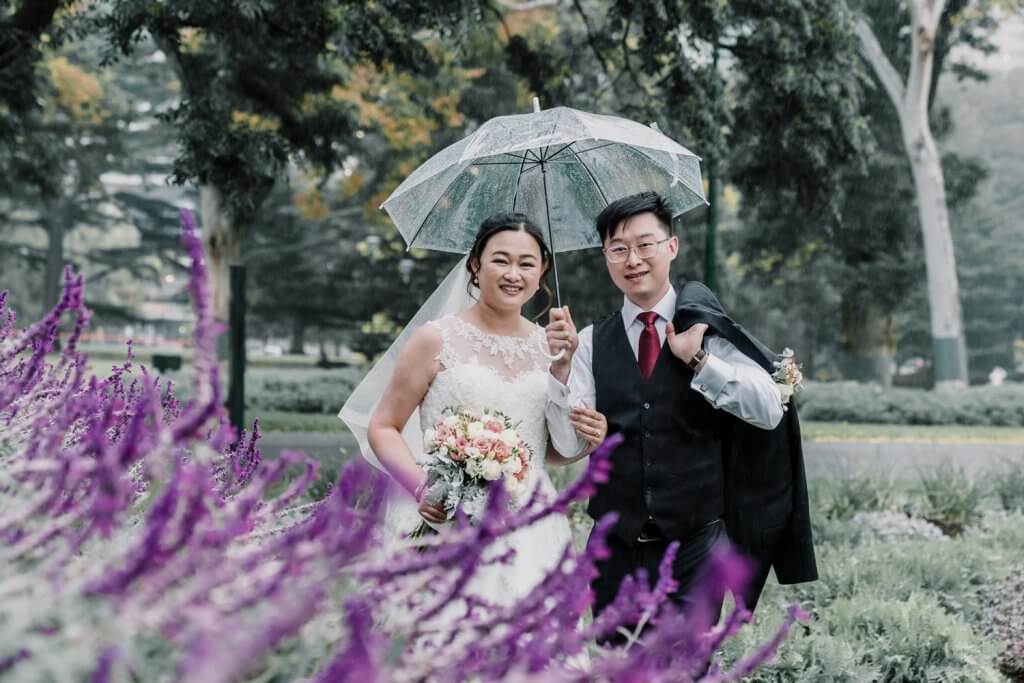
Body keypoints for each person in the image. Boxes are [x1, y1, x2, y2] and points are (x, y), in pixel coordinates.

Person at [544, 191, 796, 633]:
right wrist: (561, 372)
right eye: (618, 249)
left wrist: (698, 360)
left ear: (671, 247)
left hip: (696, 545)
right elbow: (568, 444)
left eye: (645, 245)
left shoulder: (705, 327)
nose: (633, 259)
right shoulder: (587, 342)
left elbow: (769, 408)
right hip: (614, 546)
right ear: (605, 257)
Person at [345, 212, 608, 606]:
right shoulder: (435, 340)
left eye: (526, 263)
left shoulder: (552, 349)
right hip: (446, 513)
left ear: (543, 271)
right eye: (500, 259)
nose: (513, 274)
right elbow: (383, 426)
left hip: (529, 523)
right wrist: (423, 487)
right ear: (475, 264)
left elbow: (547, 450)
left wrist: (588, 435)